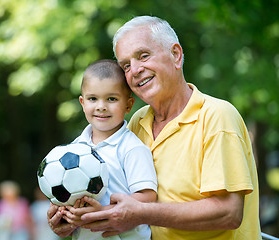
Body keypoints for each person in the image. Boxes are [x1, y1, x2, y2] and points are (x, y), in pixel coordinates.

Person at [48, 16, 261, 240]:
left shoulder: (216, 116)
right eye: (126, 65)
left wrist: (140, 213)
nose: (135, 70)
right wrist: (70, 215)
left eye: (143, 56)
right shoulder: (136, 123)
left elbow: (229, 212)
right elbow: (108, 196)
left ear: (176, 55)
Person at [48, 59, 158, 240]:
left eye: (112, 99)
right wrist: (63, 216)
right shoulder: (71, 152)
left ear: (128, 105)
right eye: (93, 98)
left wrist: (105, 212)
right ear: (82, 103)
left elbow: (147, 198)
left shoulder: (133, 148)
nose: (101, 106)